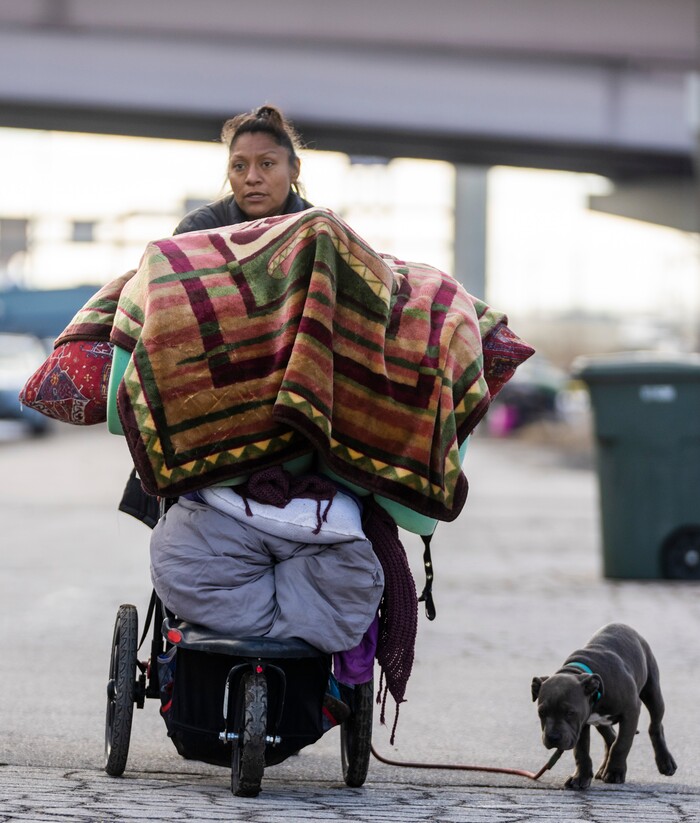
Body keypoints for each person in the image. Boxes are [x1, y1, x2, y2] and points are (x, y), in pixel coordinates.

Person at [174, 104, 313, 234]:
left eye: (266, 164)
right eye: (239, 166)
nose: (251, 178)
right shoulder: (198, 230)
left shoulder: (318, 231)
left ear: (294, 169)